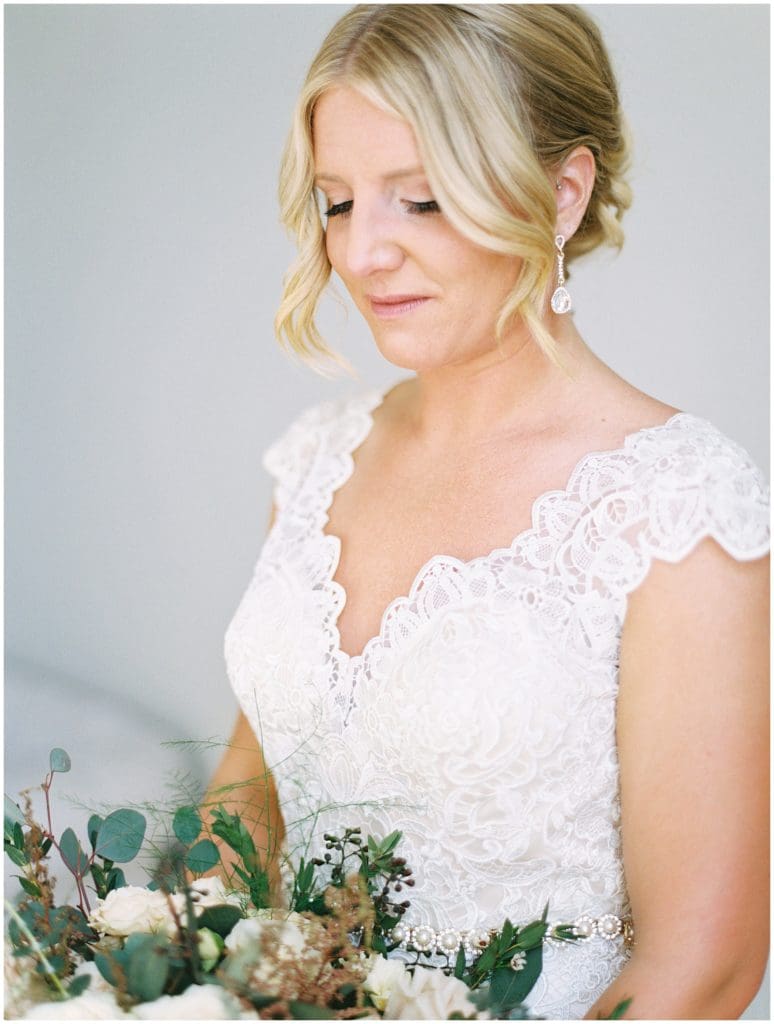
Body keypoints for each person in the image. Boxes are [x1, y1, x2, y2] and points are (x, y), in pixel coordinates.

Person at [206, 5, 770, 1018]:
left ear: (561, 194)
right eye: (337, 203)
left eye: (420, 199)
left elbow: (703, 969)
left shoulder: (675, 505)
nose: (362, 253)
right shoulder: (316, 459)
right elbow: (241, 816)